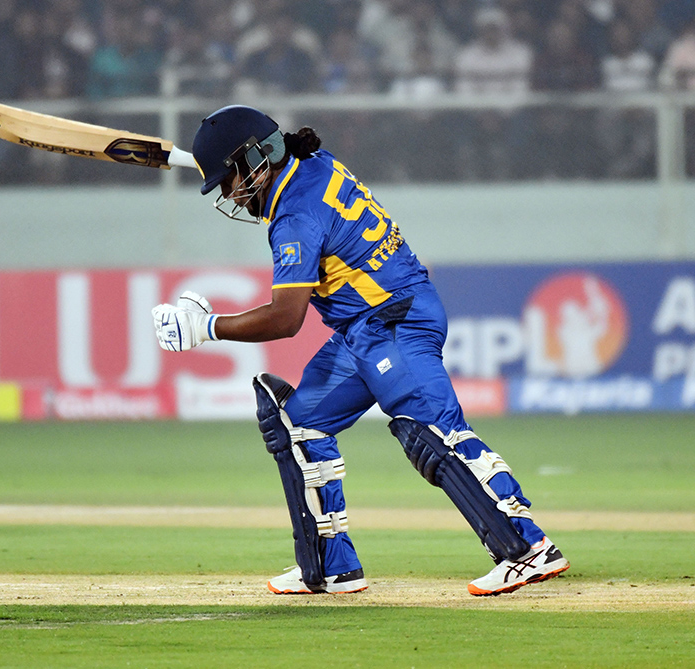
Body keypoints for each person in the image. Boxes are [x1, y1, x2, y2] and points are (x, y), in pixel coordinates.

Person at [150, 105, 569, 596]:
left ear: (260, 158)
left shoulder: (295, 214)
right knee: (299, 422)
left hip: (395, 321)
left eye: (229, 177)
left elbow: (287, 319)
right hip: (365, 327)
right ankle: (332, 566)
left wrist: (206, 328)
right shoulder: (312, 162)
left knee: (432, 430)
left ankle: (528, 548)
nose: (229, 192)